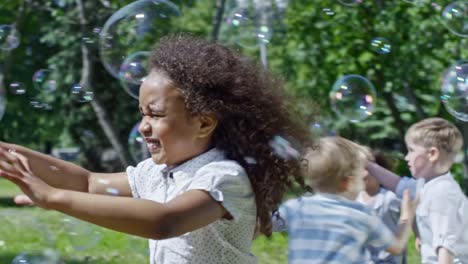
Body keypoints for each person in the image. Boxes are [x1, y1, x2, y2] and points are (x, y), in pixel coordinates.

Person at [0, 35, 313, 264]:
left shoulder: (224, 176)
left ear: (204, 123)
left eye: (156, 114)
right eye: (142, 113)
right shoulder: (156, 173)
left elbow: (165, 221)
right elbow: (88, 183)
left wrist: (54, 198)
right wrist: (7, 153)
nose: (144, 125)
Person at [272, 136, 417, 264]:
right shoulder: (362, 215)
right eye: (361, 178)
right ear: (347, 183)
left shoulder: (294, 208)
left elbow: (260, 225)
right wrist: (406, 215)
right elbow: (396, 247)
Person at [367, 117, 468, 264]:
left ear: (432, 154)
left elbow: (446, 244)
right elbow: (397, 184)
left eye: (411, 150)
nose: (406, 157)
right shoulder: (426, 185)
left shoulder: (442, 193)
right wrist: (368, 165)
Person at [357, 150, 406, 264]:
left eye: (367, 168)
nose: (362, 173)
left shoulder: (390, 198)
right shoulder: (355, 201)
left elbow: (410, 216)